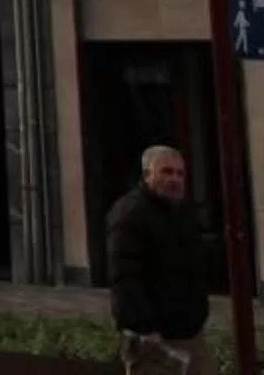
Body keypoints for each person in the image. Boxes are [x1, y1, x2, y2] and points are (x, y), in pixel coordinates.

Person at [108, 144, 210, 375]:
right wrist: (144, 327)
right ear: (147, 175)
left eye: (180, 173)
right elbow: (125, 277)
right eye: (166, 172)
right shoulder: (131, 214)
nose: (174, 179)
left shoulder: (180, 212)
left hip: (188, 332)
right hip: (154, 339)